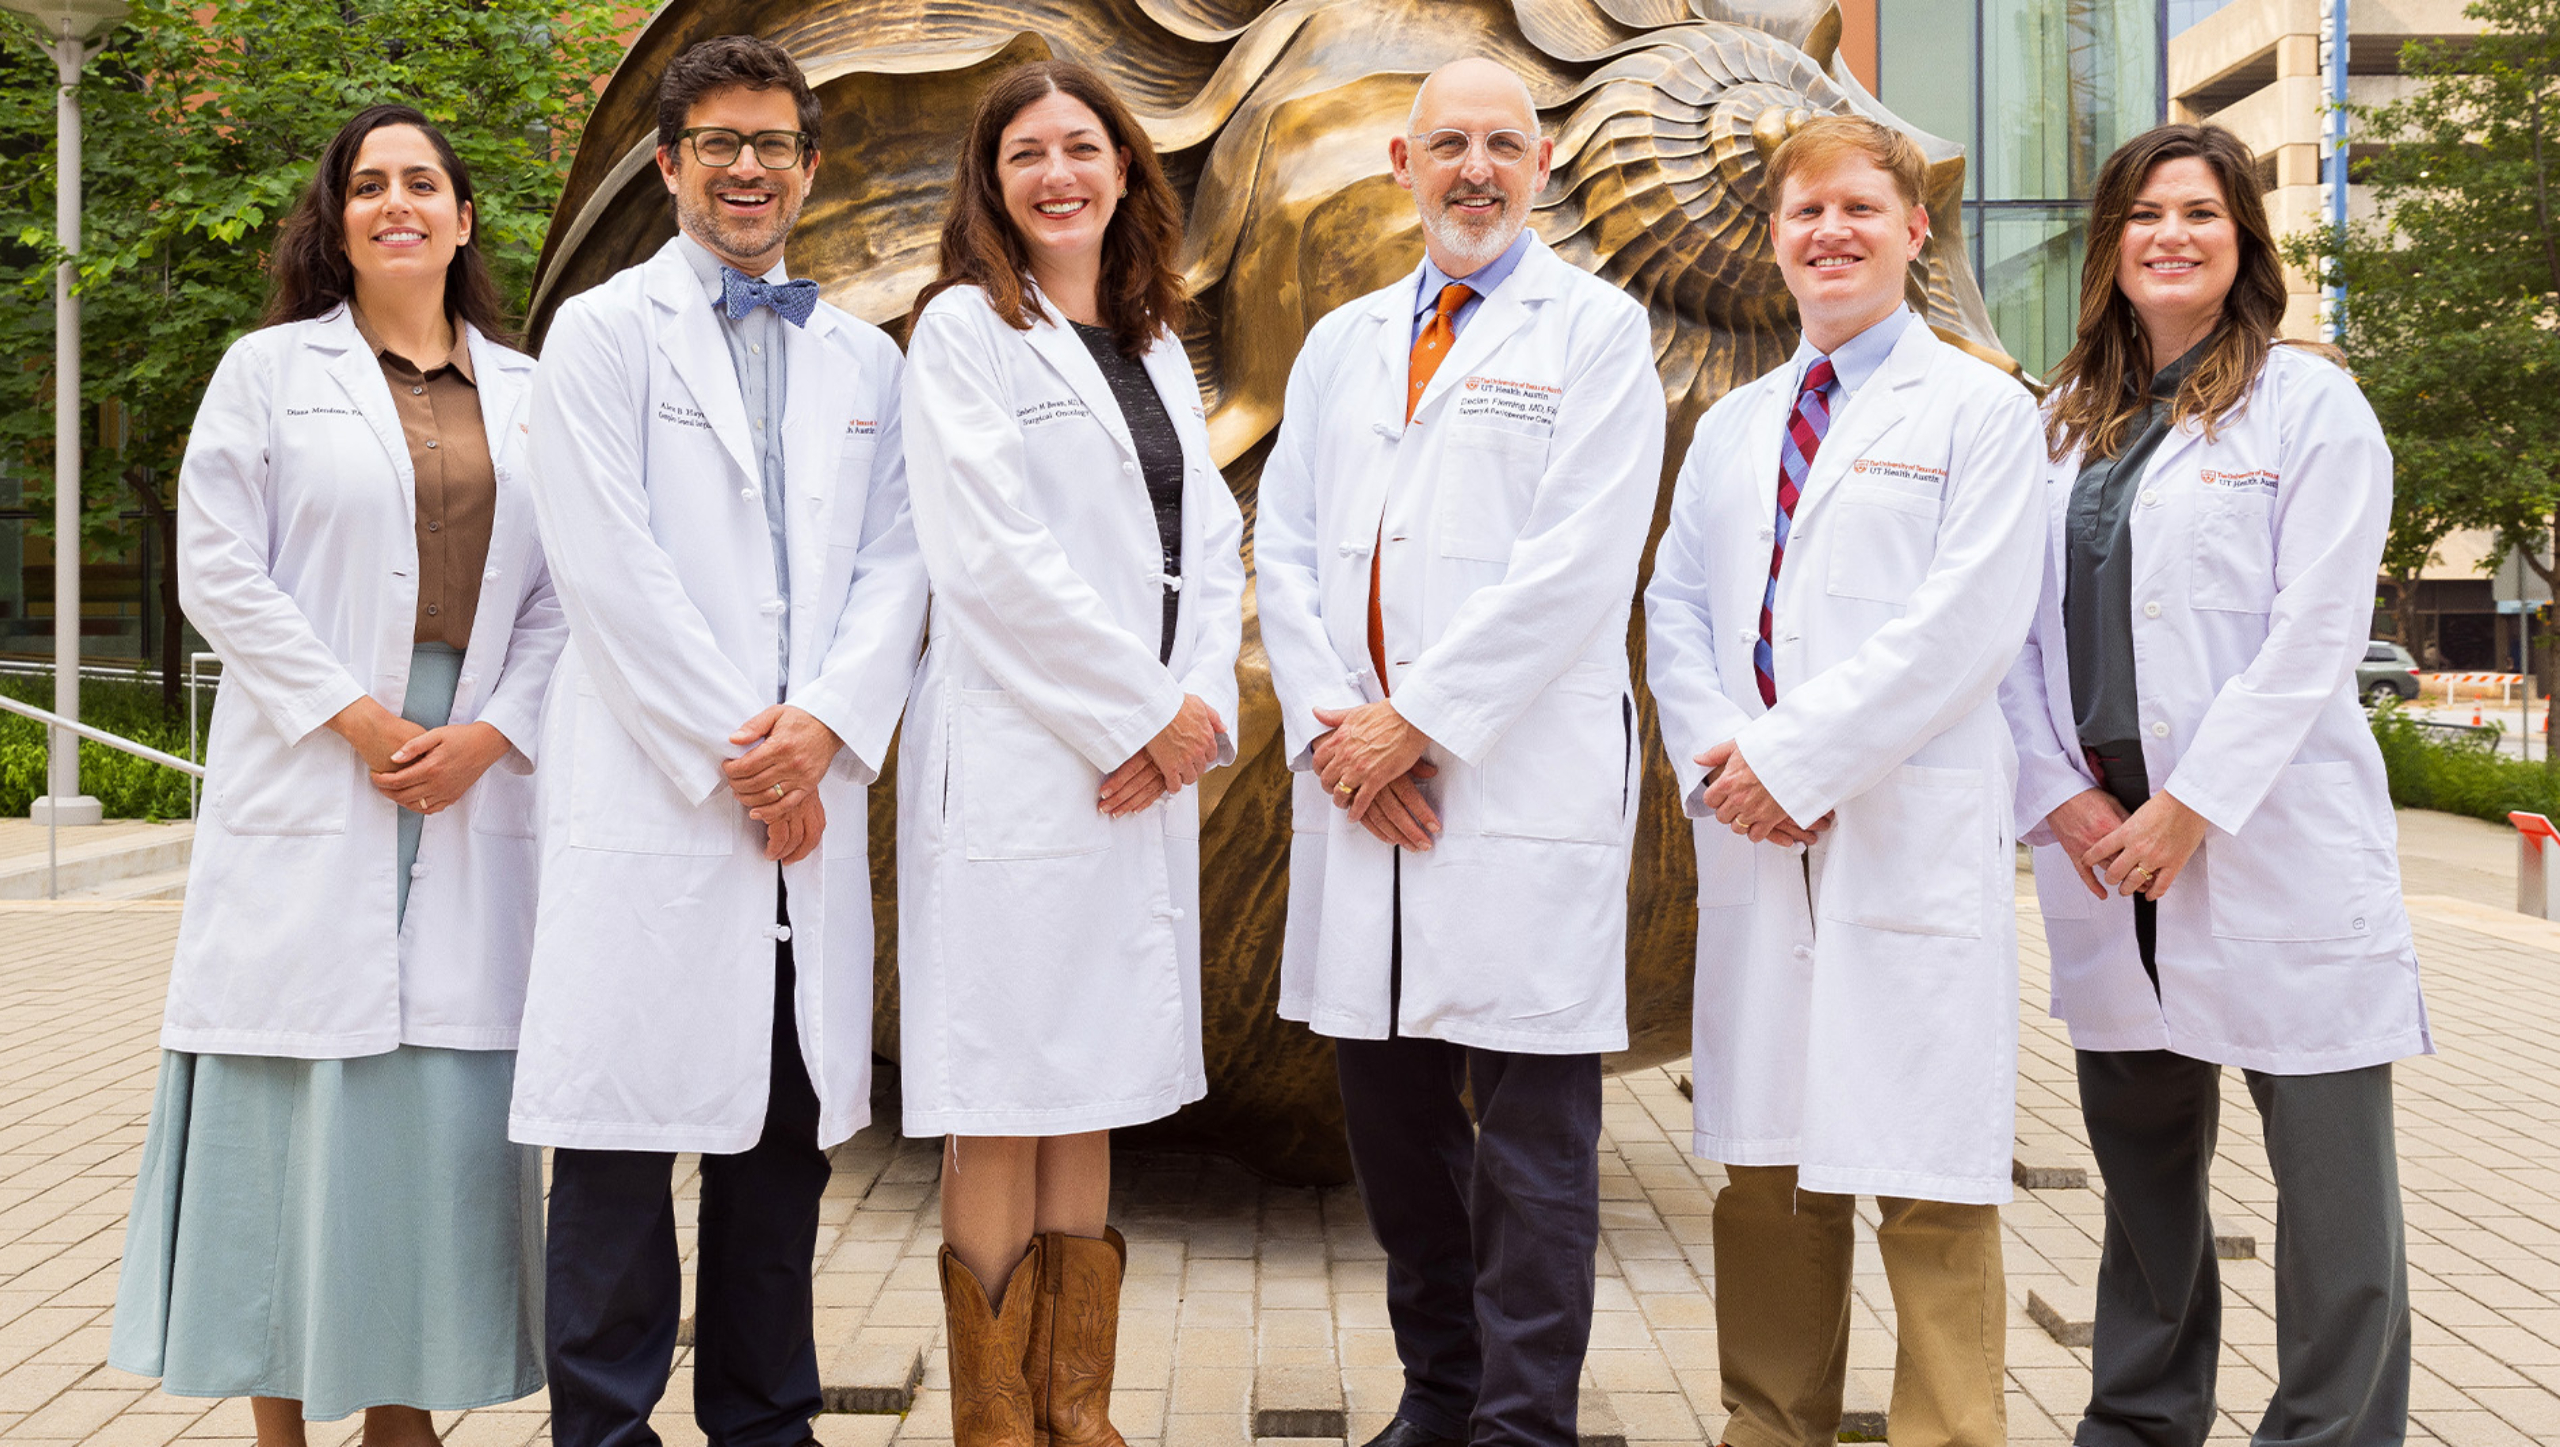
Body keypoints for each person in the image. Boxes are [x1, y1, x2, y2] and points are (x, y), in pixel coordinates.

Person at [108, 104, 561, 1445]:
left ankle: (405, 1427)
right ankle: (282, 1432)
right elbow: (220, 573)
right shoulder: (267, 372)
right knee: (287, 1132)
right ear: (340, 219)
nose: (397, 202)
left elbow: (565, 599)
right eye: (369, 185)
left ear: (465, 218)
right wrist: (357, 719)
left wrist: (492, 735)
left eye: (424, 182)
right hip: (320, 762)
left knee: (430, 1131)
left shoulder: (531, 398)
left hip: (471, 776)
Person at [510, 35, 930, 1447]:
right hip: (661, 800)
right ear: (671, 164)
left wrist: (823, 731)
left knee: (778, 1169)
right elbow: (606, 565)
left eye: (773, 145)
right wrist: (746, 756)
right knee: (621, 1165)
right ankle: (608, 1431)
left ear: (810, 169)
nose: (746, 168)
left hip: (799, 810)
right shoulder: (603, 335)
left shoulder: (865, 355)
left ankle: (767, 1424)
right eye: (719, 144)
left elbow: (899, 563)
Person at [1256, 57, 1664, 1447]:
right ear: (1401, 164)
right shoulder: (1343, 342)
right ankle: (1440, 1396)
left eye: (1501, 144)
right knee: (1394, 1123)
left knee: (1535, 1135)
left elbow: (1577, 564)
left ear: (1541, 165)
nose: (1474, 169)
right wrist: (1341, 733)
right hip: (1365, 791)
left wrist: (1414, 725)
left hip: (1509, 781)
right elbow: (1289, 548)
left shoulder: (1598, 335)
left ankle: (1523, 1422)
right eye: (1449, 146)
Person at [2000, 121, 2425, 1447]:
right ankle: (2137, 1421)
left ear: (2241, 239)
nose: (2170, 235)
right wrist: (2059, 796)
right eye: (2144, 214)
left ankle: (2330, 1433)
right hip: (2104, 849)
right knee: (2144, 1193)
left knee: (2334, 1200)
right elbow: (2012, 633)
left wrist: (2193, 806)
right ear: (2110, 242)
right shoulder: (2063, 416)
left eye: (2200, 212)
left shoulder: (2309, 406)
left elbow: (2316, 633)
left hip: (2257, 838)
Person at [1643, 114, 2044, 1447]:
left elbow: (1966, 627)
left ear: (1915, 229)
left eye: (1862, 210)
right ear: (1774, 238)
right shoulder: (1737, 426)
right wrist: (1733, 767)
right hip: (1760, 837)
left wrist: (1798, 760)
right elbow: (1677, 613)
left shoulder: (1984, 408)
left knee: (1926, 1178)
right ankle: (1770, 1423)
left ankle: (1948, 1431)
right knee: (1766, 1174)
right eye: (1807, 212)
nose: (1833, 234)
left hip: (1898, 834)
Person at [896, 58, 1246, 1447]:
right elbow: (990, 562)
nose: (1059, 175)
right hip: (1023, 757)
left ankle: (1075, 1409)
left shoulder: (1157, 339)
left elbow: (1208, 551)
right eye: (1028, 153)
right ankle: (994, 1420)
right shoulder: (963, 335)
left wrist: (1194, 715)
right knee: (1001, 1088)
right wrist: (1139, 718)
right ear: (991, 183)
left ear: (1125, 170)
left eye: (1082, 147)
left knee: (1090, 1081)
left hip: (1137, 763)